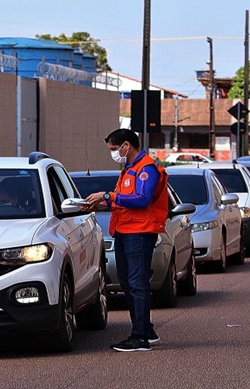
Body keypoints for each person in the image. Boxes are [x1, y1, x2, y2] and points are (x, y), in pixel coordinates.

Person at [83, 128, 169, 352]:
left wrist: (108, 196)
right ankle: (145, 331)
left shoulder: (146, 168)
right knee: (129, 282)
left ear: (126, 146)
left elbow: (142, 199)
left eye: (114, 149)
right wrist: (102, 203)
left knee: (136, 284)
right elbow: (123, 201)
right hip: (125, 231)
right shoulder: (129, 170)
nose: (114, 154)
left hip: (139, 232)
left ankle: (139, 337)